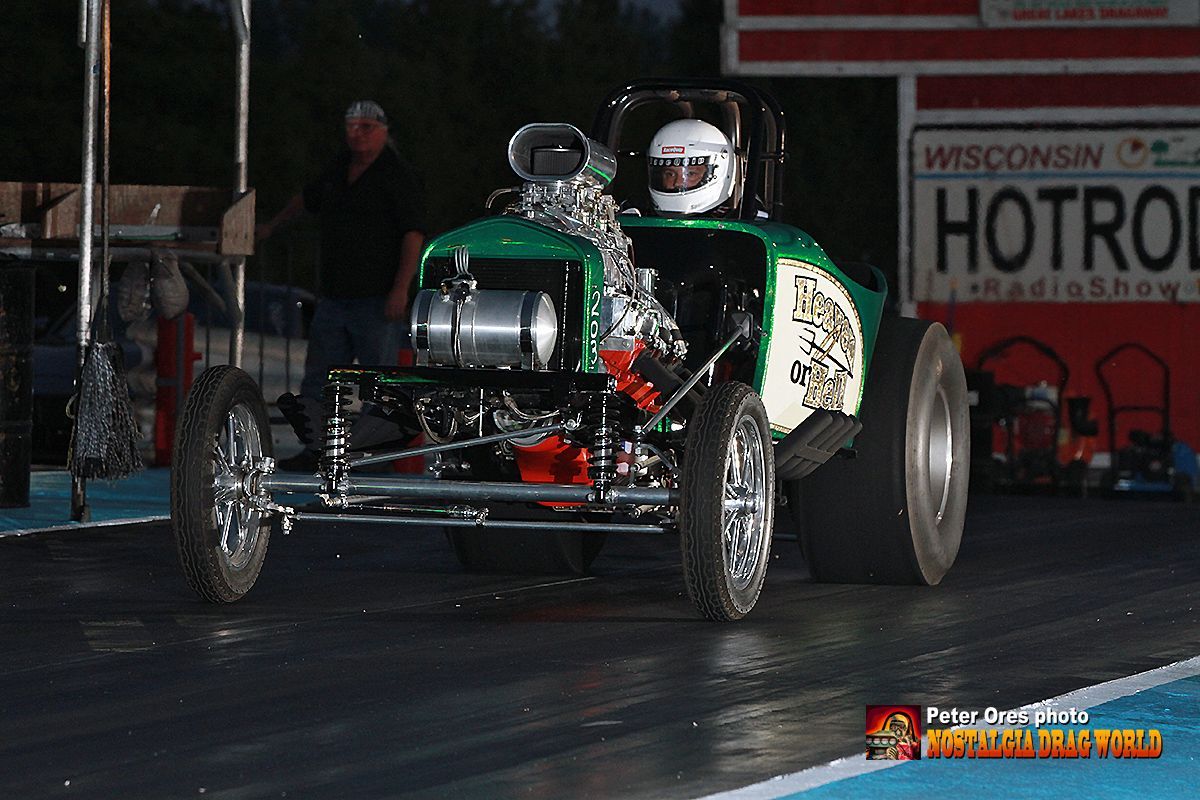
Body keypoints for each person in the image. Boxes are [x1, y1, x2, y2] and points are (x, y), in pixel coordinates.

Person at [259, 100, 425, 468]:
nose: (356, 134)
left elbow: (413, 234)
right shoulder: (339, 169)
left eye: (366, 127)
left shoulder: (395, 175)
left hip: (376, 298)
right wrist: (271, 226)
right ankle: (316, 450)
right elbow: (307, 199)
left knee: (379, 380)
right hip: (335, 295)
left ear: (383, 132)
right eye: (351, 126)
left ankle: (376, 455)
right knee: (320, 376)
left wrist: (400, 288)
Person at [647, 118, 739, 216]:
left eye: (690, 174)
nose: (677, 183)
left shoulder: (743, 223)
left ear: (720, 171)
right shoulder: (639, 216)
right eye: (670, 174)